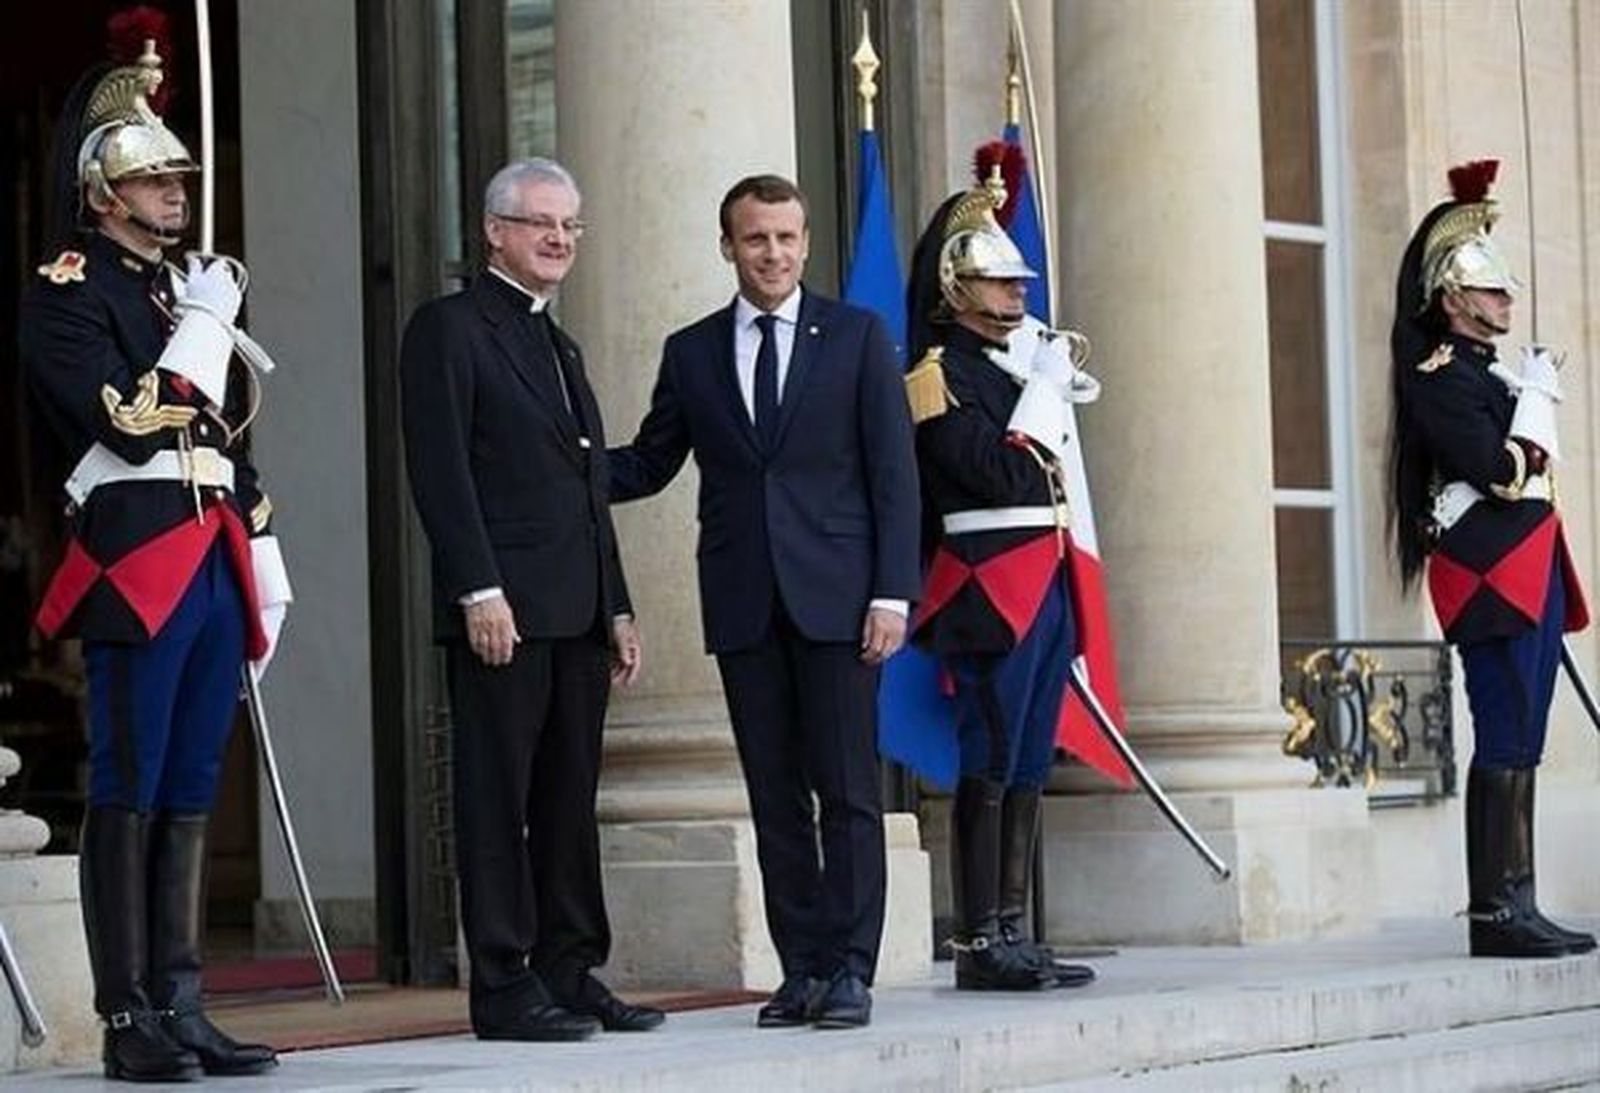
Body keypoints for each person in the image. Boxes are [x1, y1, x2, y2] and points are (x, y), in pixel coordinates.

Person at [19, 31, 285, 1082]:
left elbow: (222, 436)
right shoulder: (66, 289)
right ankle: (127, 1016)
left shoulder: (183, 290)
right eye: (152, 176)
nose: (176, 188)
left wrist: (257, 524)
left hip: (210, 547)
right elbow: (129, 422)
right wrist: (202, 330)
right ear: (101, 191)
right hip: (135, 554)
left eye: (178, 174)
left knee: (189, 785)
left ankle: (183, 1001)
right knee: (126, 785)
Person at [608, 174, 920, 1029]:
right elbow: (648, 461)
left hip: (842, 603)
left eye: (786, 237)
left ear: (806, 242)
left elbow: (895, 480)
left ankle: (852, 967)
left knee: (849, 793)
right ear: (728, 247)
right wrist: (559, 466)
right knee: (774, 795)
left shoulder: (858, 338)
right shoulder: (692, 351)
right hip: (746, 603)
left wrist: (893, 593)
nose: (773, 253)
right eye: (755, 239)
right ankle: (804, 969)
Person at [400, 157, 661, 1040]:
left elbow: (585, 485)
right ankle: (504, 982)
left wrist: (616, 604)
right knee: (496, 798)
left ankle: (569, 966)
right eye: (541, 223)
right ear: (494, 230)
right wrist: (479, 588)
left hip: (577, 613)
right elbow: (442, 474)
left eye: (571, 227)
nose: (559, 239)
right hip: (503, 611)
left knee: (566, 800)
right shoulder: (449, 328)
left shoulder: (560, 342)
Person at [1387, 159, 1594, 958]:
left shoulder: (1489, 374)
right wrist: (1536, 402)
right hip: (1490, 574)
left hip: (1526, 567)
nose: (1506, 300)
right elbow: (1502, 474)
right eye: (1491, 290)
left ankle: (1521, 900)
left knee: (1526, 738)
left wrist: (1527, 394)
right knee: (1506, 733)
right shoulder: (1441, 377)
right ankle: (1495, 913)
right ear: (1453, 298)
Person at [898, 174, 1098, 991]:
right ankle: (980, 939)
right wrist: (1045, 392)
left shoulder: (1010, 371)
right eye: (1000, 277)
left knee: (1026, 759)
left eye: (1019, 279)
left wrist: (1041, 385)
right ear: (955, 286)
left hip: (1040, 582)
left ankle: (1014, 926)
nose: (1019, 288)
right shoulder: (936, 374)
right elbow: (992, 474)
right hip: (987, 587)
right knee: (990, 752)